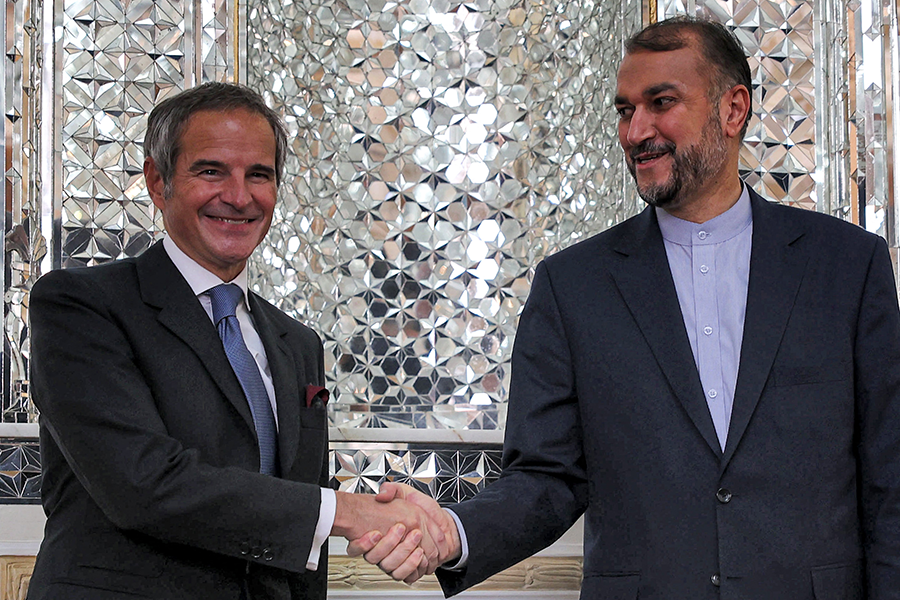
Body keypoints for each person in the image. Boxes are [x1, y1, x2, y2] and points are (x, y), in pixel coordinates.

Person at [349, 16, 900, 599]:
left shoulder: (847, 266)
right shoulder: (572, 286)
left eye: (661, 103)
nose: (637, 131)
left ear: (732, 110)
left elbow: (890, 479)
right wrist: (453, 532)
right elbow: (545, 478)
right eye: (624, 110)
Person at [26, 82, 444, 600]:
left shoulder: (297, 343)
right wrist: (348, 513)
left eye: (259, 176)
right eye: (211, 171)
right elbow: (143, 483)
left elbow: (294, 511)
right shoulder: (80, 306)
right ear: (158, 182)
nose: (239, 197)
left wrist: (395, 526)